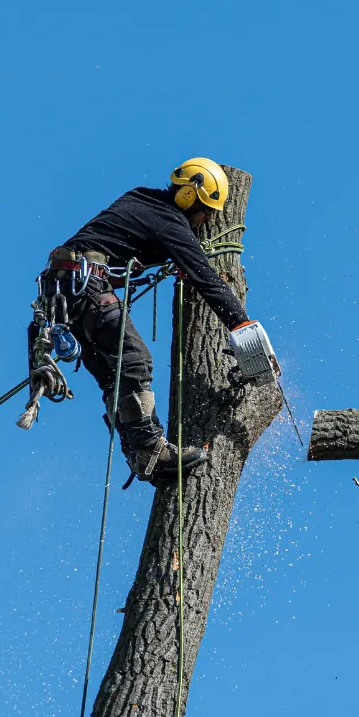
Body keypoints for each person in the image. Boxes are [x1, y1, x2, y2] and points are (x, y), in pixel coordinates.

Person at [34, 157, 259, 484]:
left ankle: (140, 457)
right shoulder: (169, 220)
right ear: (188, 198)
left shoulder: (141, 199)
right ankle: (151, 449)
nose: (205, 220)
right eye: (206, 212)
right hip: (84, 288)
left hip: (63, 294)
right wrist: (243, 328)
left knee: (116, 378)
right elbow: (208, 281)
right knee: (135, 360)